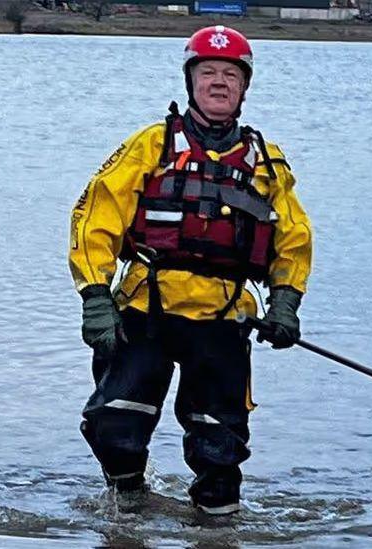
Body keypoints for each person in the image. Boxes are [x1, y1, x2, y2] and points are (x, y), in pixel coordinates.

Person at [68, 26, 312, 515]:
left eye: (229, 74)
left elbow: (293, 238)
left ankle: (217, 528)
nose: (218, 82)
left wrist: (286, 301)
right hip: (144, 311)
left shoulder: (268, 163)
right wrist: (95, 297)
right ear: (190, 81)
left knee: (219, 450)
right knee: (115, 426)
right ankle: (128, 504)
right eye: (208, 73)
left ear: (244, 87)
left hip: (223, 318)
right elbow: (95, 218)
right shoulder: (148, 146)